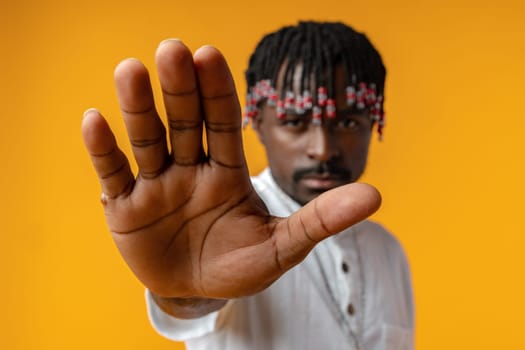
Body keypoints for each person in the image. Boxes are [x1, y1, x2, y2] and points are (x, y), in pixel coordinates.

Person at [82, 21, 414, 350]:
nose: (323, 148)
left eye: (347, 121)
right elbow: (194, 302)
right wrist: (185, 293)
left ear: (375, 122)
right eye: (295, 121)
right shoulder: (218, 219)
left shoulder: (388, 251)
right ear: (256, 121)